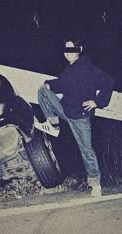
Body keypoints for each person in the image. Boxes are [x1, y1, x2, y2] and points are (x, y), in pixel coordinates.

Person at [35, 36, 114, 197]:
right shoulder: (69, 69)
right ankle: (54, 124)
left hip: (80, 117)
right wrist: (49, 84)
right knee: (43, 91)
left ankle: (95, 183)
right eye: (66, 50)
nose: (68, 54)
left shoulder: (87, 68)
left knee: (86, 150)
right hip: (65, 110)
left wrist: (98, 102)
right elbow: (60, 83)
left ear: (79, 50)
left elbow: (108, 82)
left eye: (71, 50)